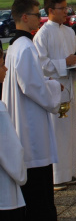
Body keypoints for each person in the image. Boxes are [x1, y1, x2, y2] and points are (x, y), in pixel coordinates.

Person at [2, 0, 62, 220]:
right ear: (25, 17)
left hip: (21, 118)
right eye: (38, 15)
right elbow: (33, 87)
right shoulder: (26, 47)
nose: (41, 19)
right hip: (30, 127)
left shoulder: (16, 46)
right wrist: (55, 87)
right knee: (39, 189)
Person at [34, 0, 76, 191]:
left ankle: (69, 171)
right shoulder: (43, 34)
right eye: (62, 9)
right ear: (50, 11)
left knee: (69, 133)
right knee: (57, 133)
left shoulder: (69, 32)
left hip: (69, 87)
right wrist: (64, 63)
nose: (66, 12)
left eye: (66, 8)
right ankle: (56, 176)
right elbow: (40, 64)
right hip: (55, 90)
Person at [0, 48, 27, 221]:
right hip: (4, 195)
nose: (6, 69)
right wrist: (21, 174)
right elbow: (11, 154)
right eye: (2, 65)